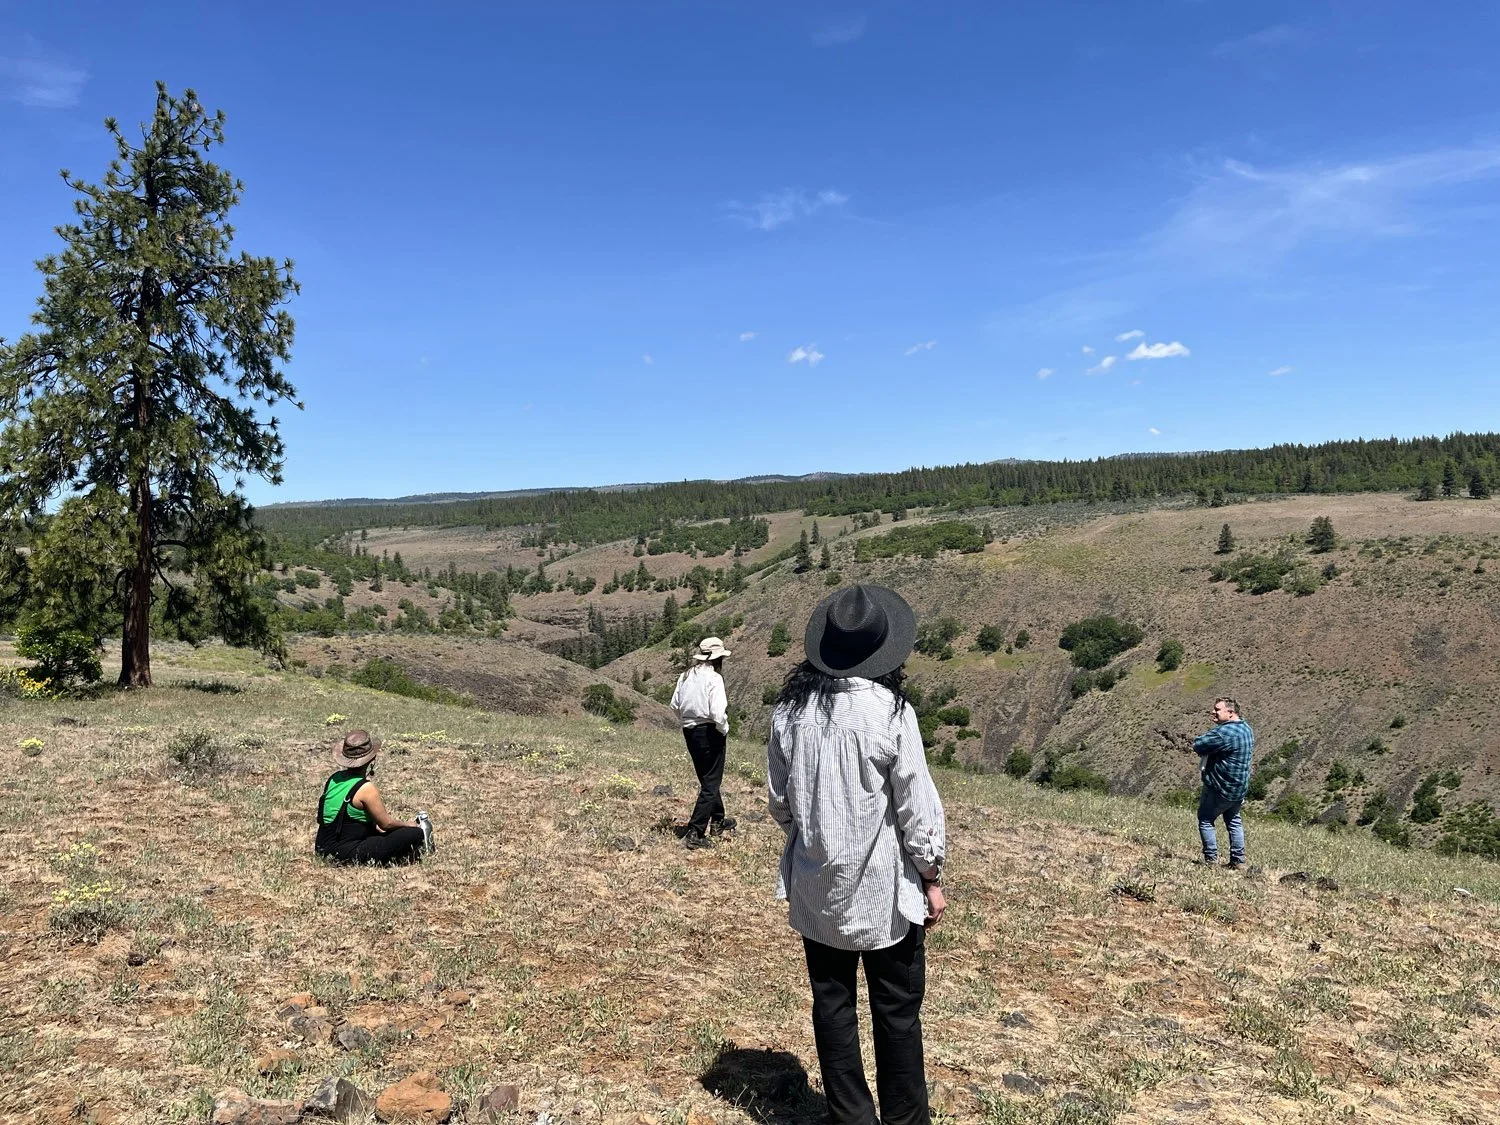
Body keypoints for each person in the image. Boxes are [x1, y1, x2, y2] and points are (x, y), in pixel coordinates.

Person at [767, 585, 946, 1125]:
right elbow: (918, 812)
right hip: (883, 890)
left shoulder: (789, 715)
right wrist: (932, 877)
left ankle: (851, 1116)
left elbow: (781, 804)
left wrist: (813, 839)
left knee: (833, 1005)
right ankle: (905, 1119)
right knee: (896, 1012)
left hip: (816, 886)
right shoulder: (892, 714)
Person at [314, 730, 429, 865]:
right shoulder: (366, 788)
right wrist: (409, 825)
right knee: (414, 834)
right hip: (344, 852)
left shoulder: (334, 778)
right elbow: (386, 824)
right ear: (372, 759)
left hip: (322, 846)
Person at [669, 636, 736, 849]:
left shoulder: (685, 676)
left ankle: (717, 820)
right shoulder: (714, 678)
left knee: (707, 779)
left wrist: (688, 719)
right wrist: (724, 728)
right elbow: (717, 712)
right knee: (711, 783)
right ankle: (696, 832)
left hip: (689, 731)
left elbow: (674, 704)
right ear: (717, 658)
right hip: (710, 731)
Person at [1193, 697, 1254, 869]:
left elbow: (1198, 744)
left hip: (1220, 787)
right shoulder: (1247, 729)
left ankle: (1211, 860)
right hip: (1239, 788)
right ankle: (1238, 860)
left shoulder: (1224, 733)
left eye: (1217, 709)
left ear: (1230, 712)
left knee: (1206, 819)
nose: (1213, 712)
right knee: (1234, 820)